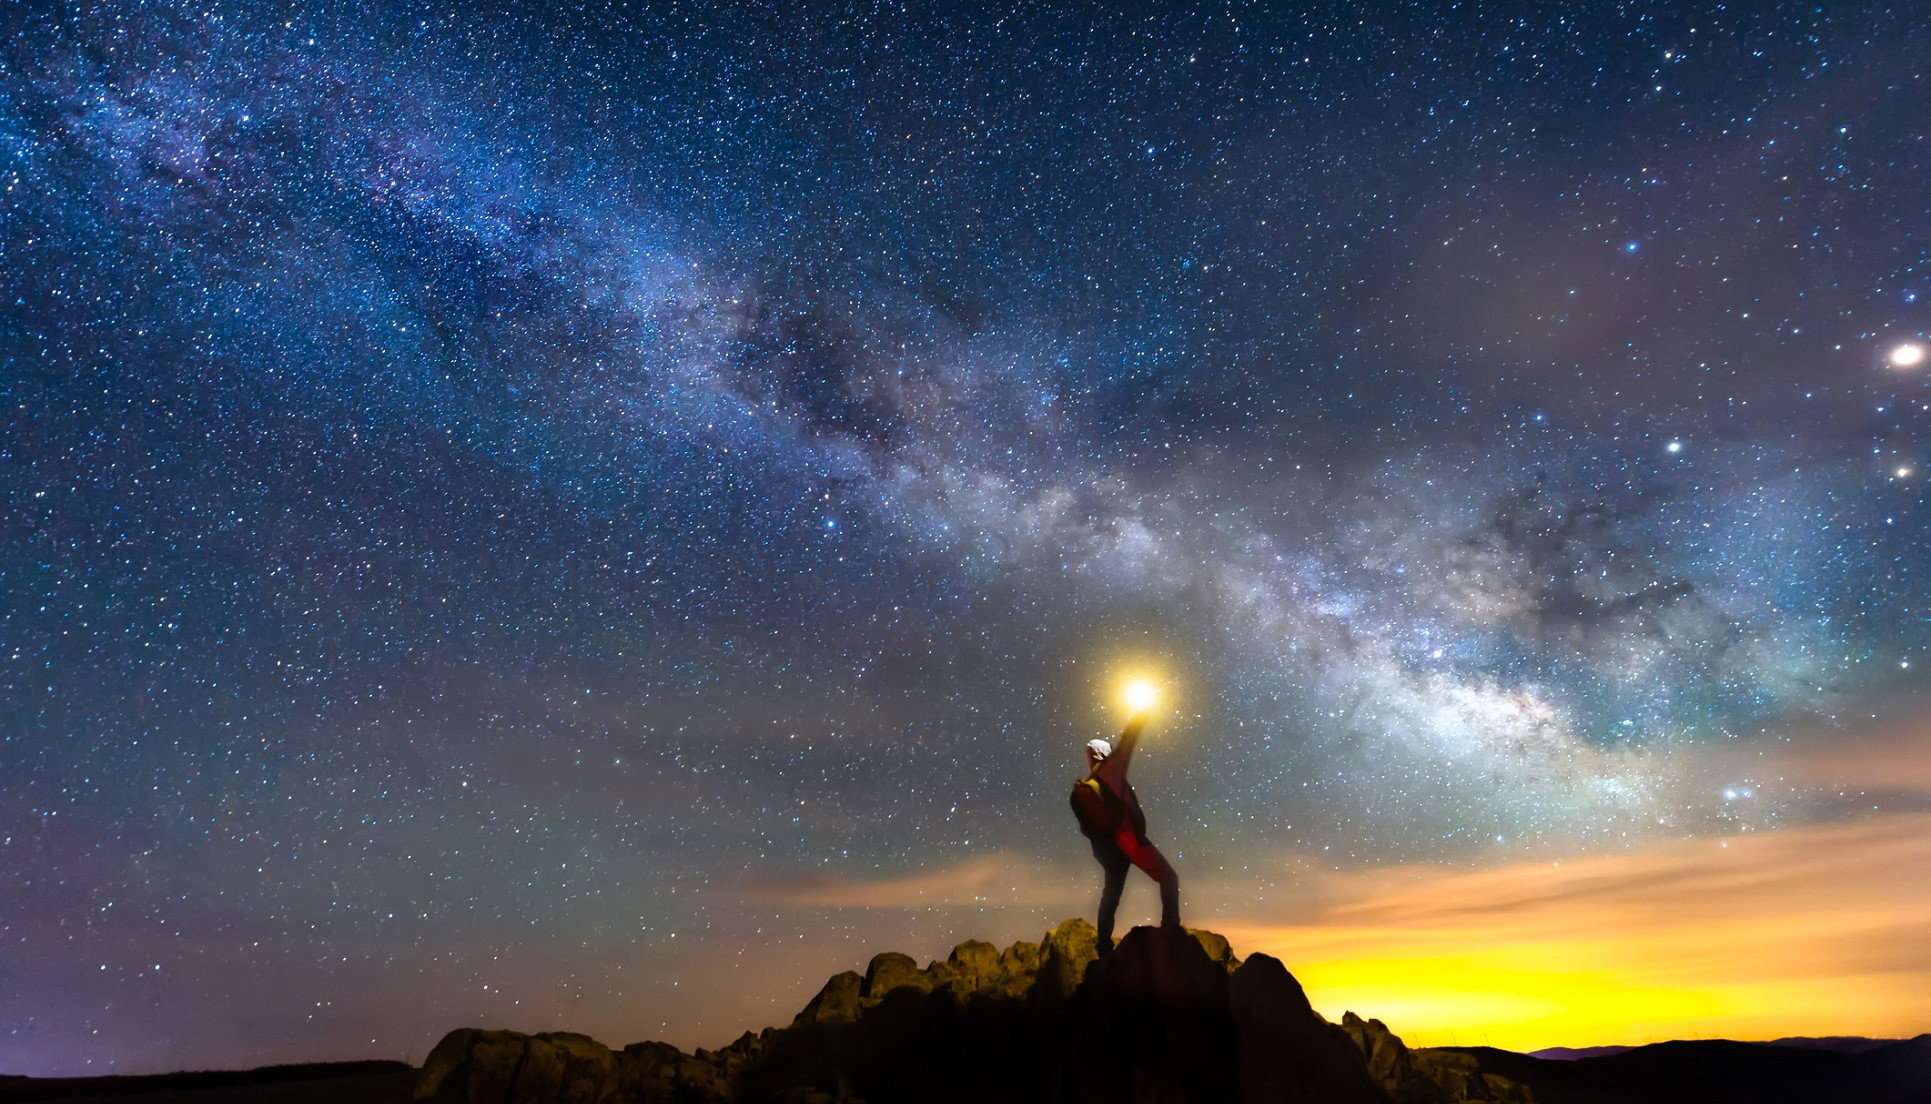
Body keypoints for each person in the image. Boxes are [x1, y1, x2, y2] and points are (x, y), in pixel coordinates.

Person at [1069, 713, 1180, 953]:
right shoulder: (1111, 770)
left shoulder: (1091, 782)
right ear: (1104, 753)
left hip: (1110, 849)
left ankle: (1103, 947)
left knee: (1111, 896)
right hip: (1129, 840)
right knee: (1169, 878)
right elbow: (1128, 741)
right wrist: (1141, 714)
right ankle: (1171, 931)